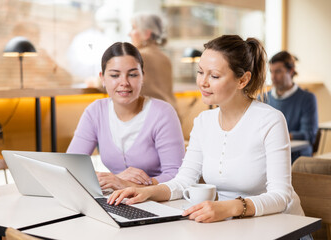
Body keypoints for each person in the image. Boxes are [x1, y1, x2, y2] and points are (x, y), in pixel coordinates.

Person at [108, 35, 305, 224]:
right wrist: (147, 192)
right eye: (200, 72)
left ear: (242, 80)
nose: (203, 82)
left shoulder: (270, 120)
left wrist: (230, 208)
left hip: (283, 227)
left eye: (215, 75)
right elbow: (184, 181)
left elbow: (281, 196)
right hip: (232, 225)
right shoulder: (203, 121)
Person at [67, 42, 185, 191]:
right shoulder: (95, 111)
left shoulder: (163, 113)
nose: (124, 82)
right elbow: (71, 166)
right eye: (115, 75)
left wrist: (130, 184)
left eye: (133, 75)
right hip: (117, 199)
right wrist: (114, 179)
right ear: (102, 78)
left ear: (143, 76)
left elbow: (177, 175)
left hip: (160, 200)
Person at [266, 51, 318, 163]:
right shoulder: (263, 98)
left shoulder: (307, 98)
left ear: (291, 71)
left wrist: (283, 135)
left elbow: (309, 134)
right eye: (271, 72)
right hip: (270, 156)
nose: (273, 77)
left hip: (297, 159)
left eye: (278, 71)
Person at [129, 12, 177, 110]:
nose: (129, 34)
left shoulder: (138, 56)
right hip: (171, 114)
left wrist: (94, 82)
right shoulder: (165, 57)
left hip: (151, 117)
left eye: (134, 28)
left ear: (147, 33)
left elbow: (108, 83)